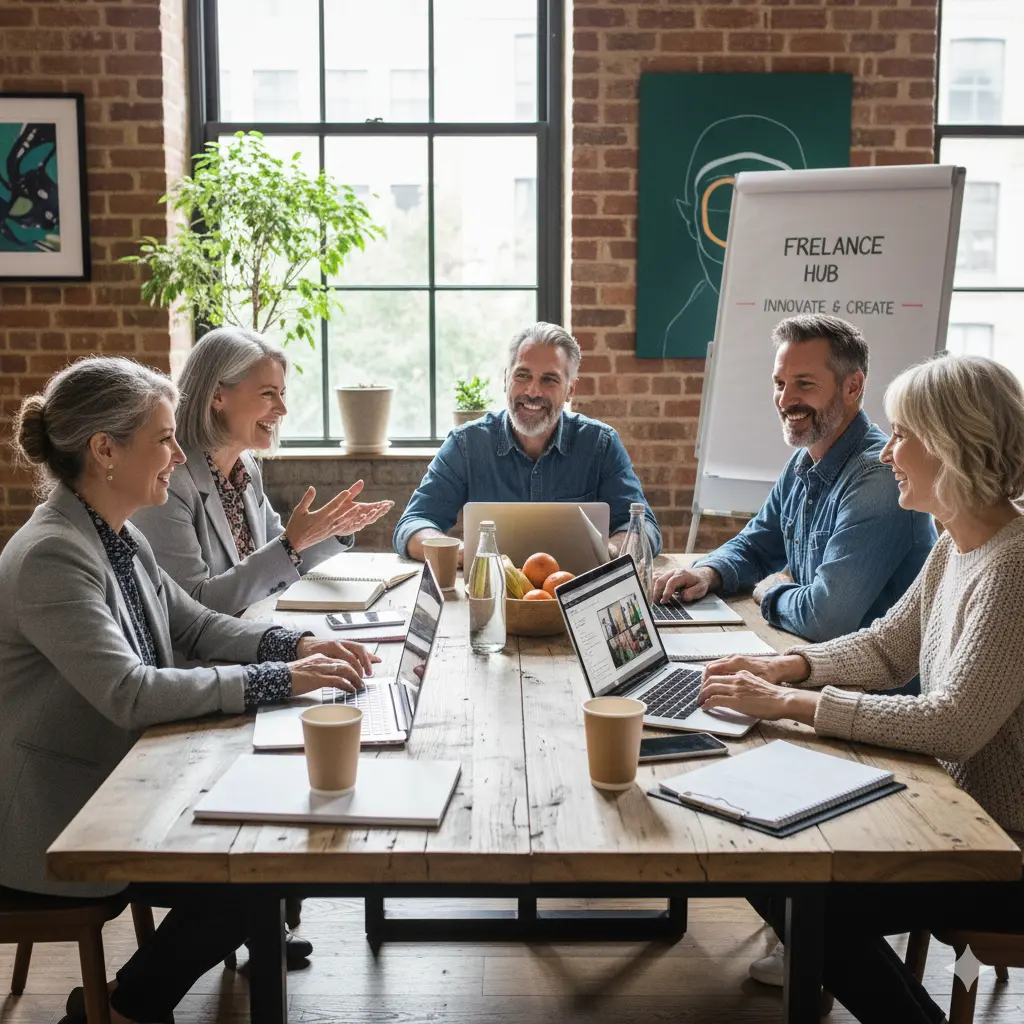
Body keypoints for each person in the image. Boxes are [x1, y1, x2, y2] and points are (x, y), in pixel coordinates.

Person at [0, 357, 379, 1024]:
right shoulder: (53, 555)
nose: (181, 454)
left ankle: (121, 1001)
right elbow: (133, 694)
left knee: (258, 859)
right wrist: (280, 679)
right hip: (58, 818)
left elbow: (196, 624)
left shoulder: (113, 531)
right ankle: (122, 1009)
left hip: (118, 780)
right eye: (166, 438)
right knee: (248, 874)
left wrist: (300, 645)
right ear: (105, 451)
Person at [699, 353, 1024, 1024]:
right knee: (770, 866)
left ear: (957, 447)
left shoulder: (1012, 567)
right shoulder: (957, 542)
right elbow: (886, 647)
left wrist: (792, 705)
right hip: (958, 820)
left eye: (904, 435)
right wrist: (783, 669)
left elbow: (951, 724)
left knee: (802, 893)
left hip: (1003, 847)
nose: (888, 452)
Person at [653, 314, 936, 643]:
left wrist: (772, 591)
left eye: (804, 383)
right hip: (811, 662)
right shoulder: (803, 461)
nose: (785, 401)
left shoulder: (879, 478)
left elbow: (824, 618)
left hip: (870, 689)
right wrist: (708, 573)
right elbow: (756, 547)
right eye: (779, 384)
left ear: (853, 386)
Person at [132, 327, 393, 616]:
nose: (282, 409)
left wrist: (331, 531)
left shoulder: (245, 467)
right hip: (206, 658)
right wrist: (292, 542)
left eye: (282, 393)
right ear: (217, 396)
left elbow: (280, 557)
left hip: (254, 633)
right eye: (268, 394)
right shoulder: (169, 482)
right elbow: (194, 609)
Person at [393, 322, 661, 562]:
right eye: (522, 375)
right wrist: (458, 552)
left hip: (575, 592)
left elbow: (643, 527)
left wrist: (612, 550)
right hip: (493, 592)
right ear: (506, 379)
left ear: (570, 389)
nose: (533, 391)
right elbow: (414, 523)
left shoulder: (600, 445)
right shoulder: (467, 444)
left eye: (549, 379)